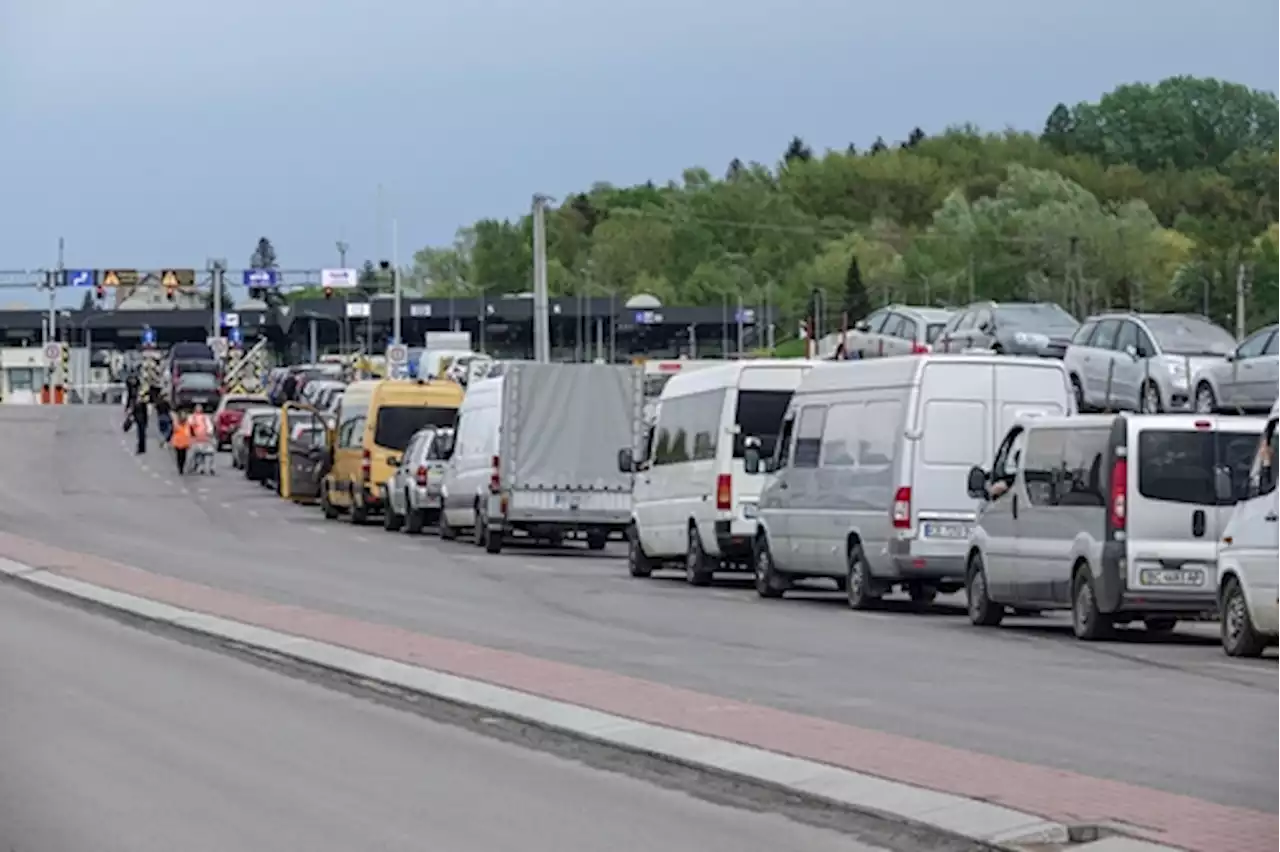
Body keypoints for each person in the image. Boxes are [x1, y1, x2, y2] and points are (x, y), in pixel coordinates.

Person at [189, 404, 215, 475]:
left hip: (204, 438)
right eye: (197, 408)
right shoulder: (192, 417)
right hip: (195, 439)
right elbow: (189, 426)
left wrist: (209, 433)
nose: (198, 410)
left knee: (206, 453)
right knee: (197, 453)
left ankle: (207, 467)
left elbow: (209, 426)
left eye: (200, 409)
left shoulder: (205, 417)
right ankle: (197, 466)